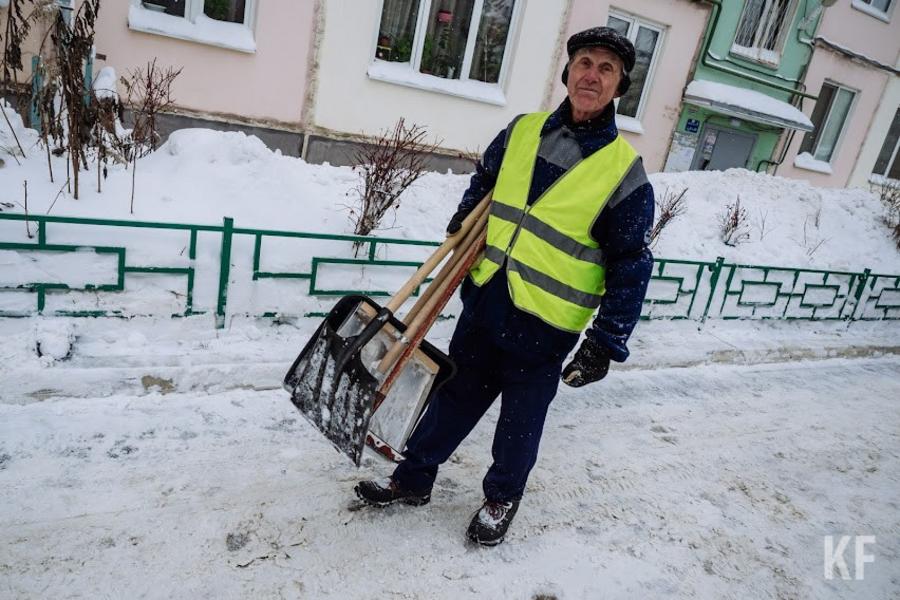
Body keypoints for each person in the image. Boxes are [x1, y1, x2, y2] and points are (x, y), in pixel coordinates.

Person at [355, 26, 655, 546]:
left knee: (520, 424)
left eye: (607, 69)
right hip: (487, 298)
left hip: (546, 324)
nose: (593, 76)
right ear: (568, 73)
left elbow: (631, 262)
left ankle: (501, 498)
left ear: (619, 87)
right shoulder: (523, 130)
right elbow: (485, 182)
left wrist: (605, 342)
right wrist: (462, 218)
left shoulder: (623, 171)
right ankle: (412, 479)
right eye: (585, 63)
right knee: (453, 398)